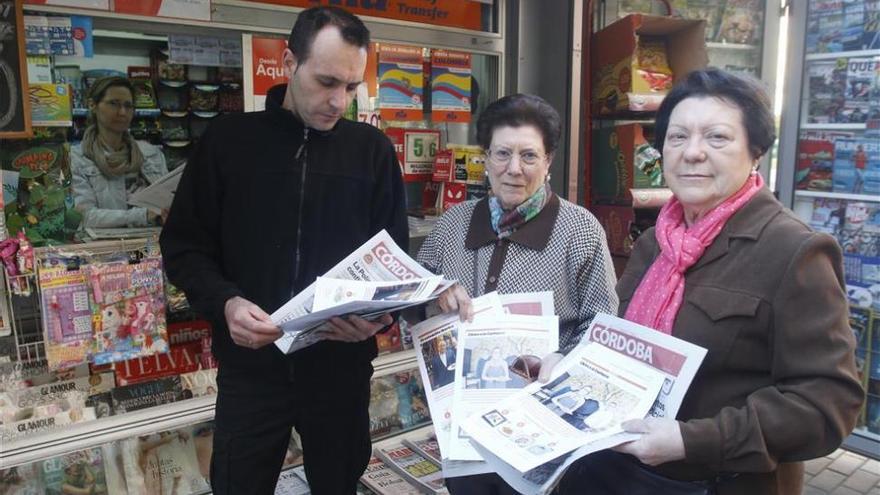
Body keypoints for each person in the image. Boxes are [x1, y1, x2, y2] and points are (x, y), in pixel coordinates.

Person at [558, 68, 863, 495]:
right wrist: (566, 373)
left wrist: (690, 440)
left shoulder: (794, 250)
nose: (692, 153)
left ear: (755, 152)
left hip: (718, 482)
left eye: (717, 137)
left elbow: (826, 404)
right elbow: (624, 350)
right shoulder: (654, 243)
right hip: (623, 472)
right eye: (678, 137)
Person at [159, 6, 407, 495]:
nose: (338, 102)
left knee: (338, 483)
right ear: (289, 60)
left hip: (340, 372)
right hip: (252, 372)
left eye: (352, 87)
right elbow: (184, 246)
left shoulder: (371, 151)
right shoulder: (229, 142)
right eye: (326, 81)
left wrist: (380, 320)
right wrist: (226, 301)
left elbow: (395, 259)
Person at [417, 93, 618, 494]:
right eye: (502, 154)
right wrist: (435, 296)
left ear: (548, 162)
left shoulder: (580, 231)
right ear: (485, 158)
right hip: (464, 425)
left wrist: (561, 358)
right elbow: (416, 292)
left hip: (542, 429)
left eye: (529, 156)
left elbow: (603, 323)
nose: (513, 169)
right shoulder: (453, 223)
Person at [70, 76, 169, 228]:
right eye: (114, 104)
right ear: (93, 105)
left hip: (153, 244)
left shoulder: (151, 154)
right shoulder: (78, 158)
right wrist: (142, 216)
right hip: (107, 247)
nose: (122, 112)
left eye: (128, 106)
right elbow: (84, 217)